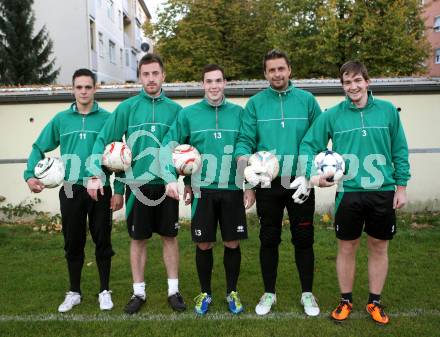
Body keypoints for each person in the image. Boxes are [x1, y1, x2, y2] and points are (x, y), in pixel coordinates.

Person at [294, 60, 410, 324]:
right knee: (347, 247)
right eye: (347, 82)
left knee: (379, 246)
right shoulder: (333, 115)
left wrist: (401, 187)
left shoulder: (388, 111)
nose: (353, 86)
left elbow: (400, 150)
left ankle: (374, 302)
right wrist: (315, 174)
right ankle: (345, 300)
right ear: (343, 86)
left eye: (358, 80)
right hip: (348, 192)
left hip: (383, 191)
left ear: (367, 82)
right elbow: (308, 145)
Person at [87, 54, 186, 314]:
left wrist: (179, 181)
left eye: (155, 73)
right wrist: (116, 187)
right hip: (136, 187)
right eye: (146, 74)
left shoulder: (176, 111)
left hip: (166, 187)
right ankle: (138, 292)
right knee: (138, 239)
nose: (151, 79)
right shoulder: (127, 108)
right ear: (140, 77)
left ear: (163, 76)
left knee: (169, 236)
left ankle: (173, 291)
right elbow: (106, 143)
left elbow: (185, 151)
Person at [24, 68, 124, 312]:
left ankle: (104, 291)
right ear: (73, 89)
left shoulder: (107, 119)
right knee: (73, 241)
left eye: (88, 87)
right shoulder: (61, 120)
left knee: (103, 240)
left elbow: (120, 156)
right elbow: (39, 147)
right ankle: (74, 292)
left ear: (95, 89)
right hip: (70, 189)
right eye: (79, 87)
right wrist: (30, 175)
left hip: (100, 188)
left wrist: (119, 188)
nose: (83, 91)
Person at [234, 50, 322, 316]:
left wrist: (309, 174)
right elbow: (244, 141)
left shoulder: (307, 101)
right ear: (265, 73)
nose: (277, 74)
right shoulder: (255, 104)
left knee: (304, 239)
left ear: (289, 70)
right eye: (271, 70)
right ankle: (269, 293)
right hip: (268, 184)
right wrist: (247, 177)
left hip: (300, 182)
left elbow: (318, 138)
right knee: (269, 239)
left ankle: (308, 293)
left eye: (281, 69)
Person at [161, 64, 253, 315]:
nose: (214, 85)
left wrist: (248, 184)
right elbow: (171, 146)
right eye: (209, 81)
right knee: (204, 244)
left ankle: (232, 291)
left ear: (225, 83)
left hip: (232, 188)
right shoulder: (188, 114)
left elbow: (246, 143)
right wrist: (181, 180)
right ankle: (206, 293)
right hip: (202, 190)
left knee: (232, 242)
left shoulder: (239, 113)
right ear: (203, 85)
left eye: (218, 80)